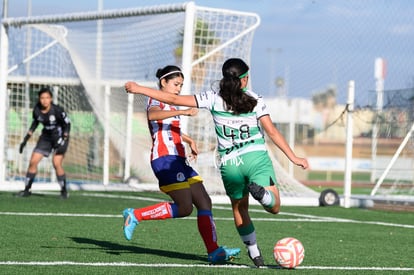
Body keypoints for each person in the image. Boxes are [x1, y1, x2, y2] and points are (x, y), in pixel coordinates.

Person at [124, 58, 309, 268]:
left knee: (222, 206)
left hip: (228, 163)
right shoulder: (255, 98)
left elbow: (173, 105)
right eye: (176, 84)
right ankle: (264, 196)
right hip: (242, 156)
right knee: (272, 206)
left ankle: (237, 253)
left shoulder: (212, 98)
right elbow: (272, 131)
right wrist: (293, 157)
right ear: (244, 79)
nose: (178, 88)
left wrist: (141, 89)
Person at [122, 65, 240, 264]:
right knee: (185, 207)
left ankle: (214, 251)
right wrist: (183, 111)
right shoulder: (156, 98)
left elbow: (169, 128)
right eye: (176, 84)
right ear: (163, 83)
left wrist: (188, 140)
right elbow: (153, 116)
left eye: (181, 85)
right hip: (165, 159)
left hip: (179, 160)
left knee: (204, 202)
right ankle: (135, 215)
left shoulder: (172, 105)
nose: (178, 88)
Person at [17, 87, 71, 199]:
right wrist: (25, 140)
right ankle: (27, 190)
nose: (44, 100)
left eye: (47, 98)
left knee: (56, 163)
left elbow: (67, 124)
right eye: (42, 98)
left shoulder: (57, 110)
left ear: (51, 99)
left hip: (59, 137)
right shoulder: (36, 110)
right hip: (45, 138)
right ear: (39, 99)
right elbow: (35, 124)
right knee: (33, 161)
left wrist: (64, 138)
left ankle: (64, 191)